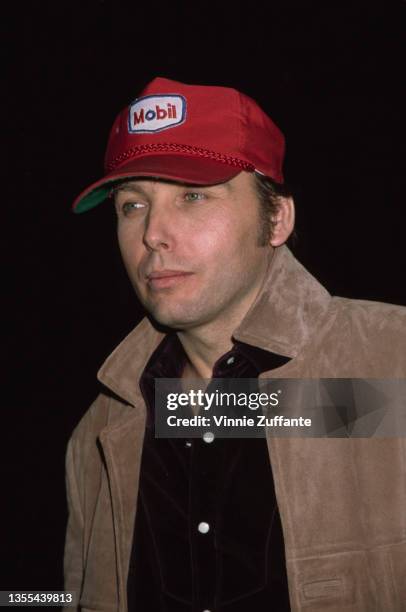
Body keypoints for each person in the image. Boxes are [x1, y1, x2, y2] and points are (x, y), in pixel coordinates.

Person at [64, 77, 406, 612]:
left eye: (194, 195)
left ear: (277, 219)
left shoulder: (391, 364)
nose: (153, 232)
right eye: (132, 205)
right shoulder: (102, 432)